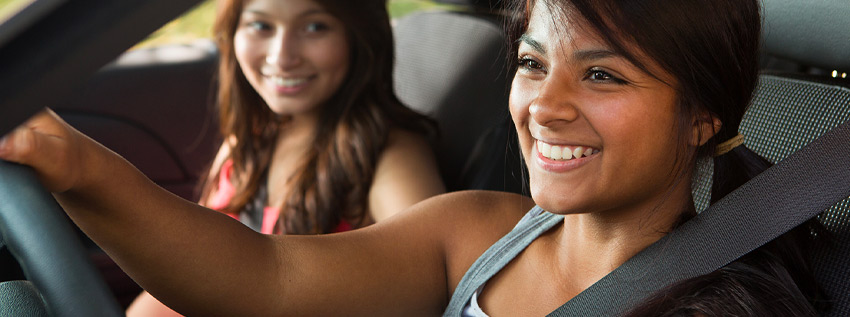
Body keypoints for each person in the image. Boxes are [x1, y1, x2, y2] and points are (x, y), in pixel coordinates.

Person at [0, 0, 825, 315]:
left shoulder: (714, 307)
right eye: (533, 61)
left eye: (602, 73)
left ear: (701, 116)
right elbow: (268, 279)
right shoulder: (480, 231)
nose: (542, 104)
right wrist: (74, 163)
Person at [126, 0, 445, 315]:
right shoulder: (249, 139)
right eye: (260, 25)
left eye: (315, 27)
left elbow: (433, 288)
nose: (282, 57)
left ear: (360, 37)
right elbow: (190, 263)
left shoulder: (390, 155)